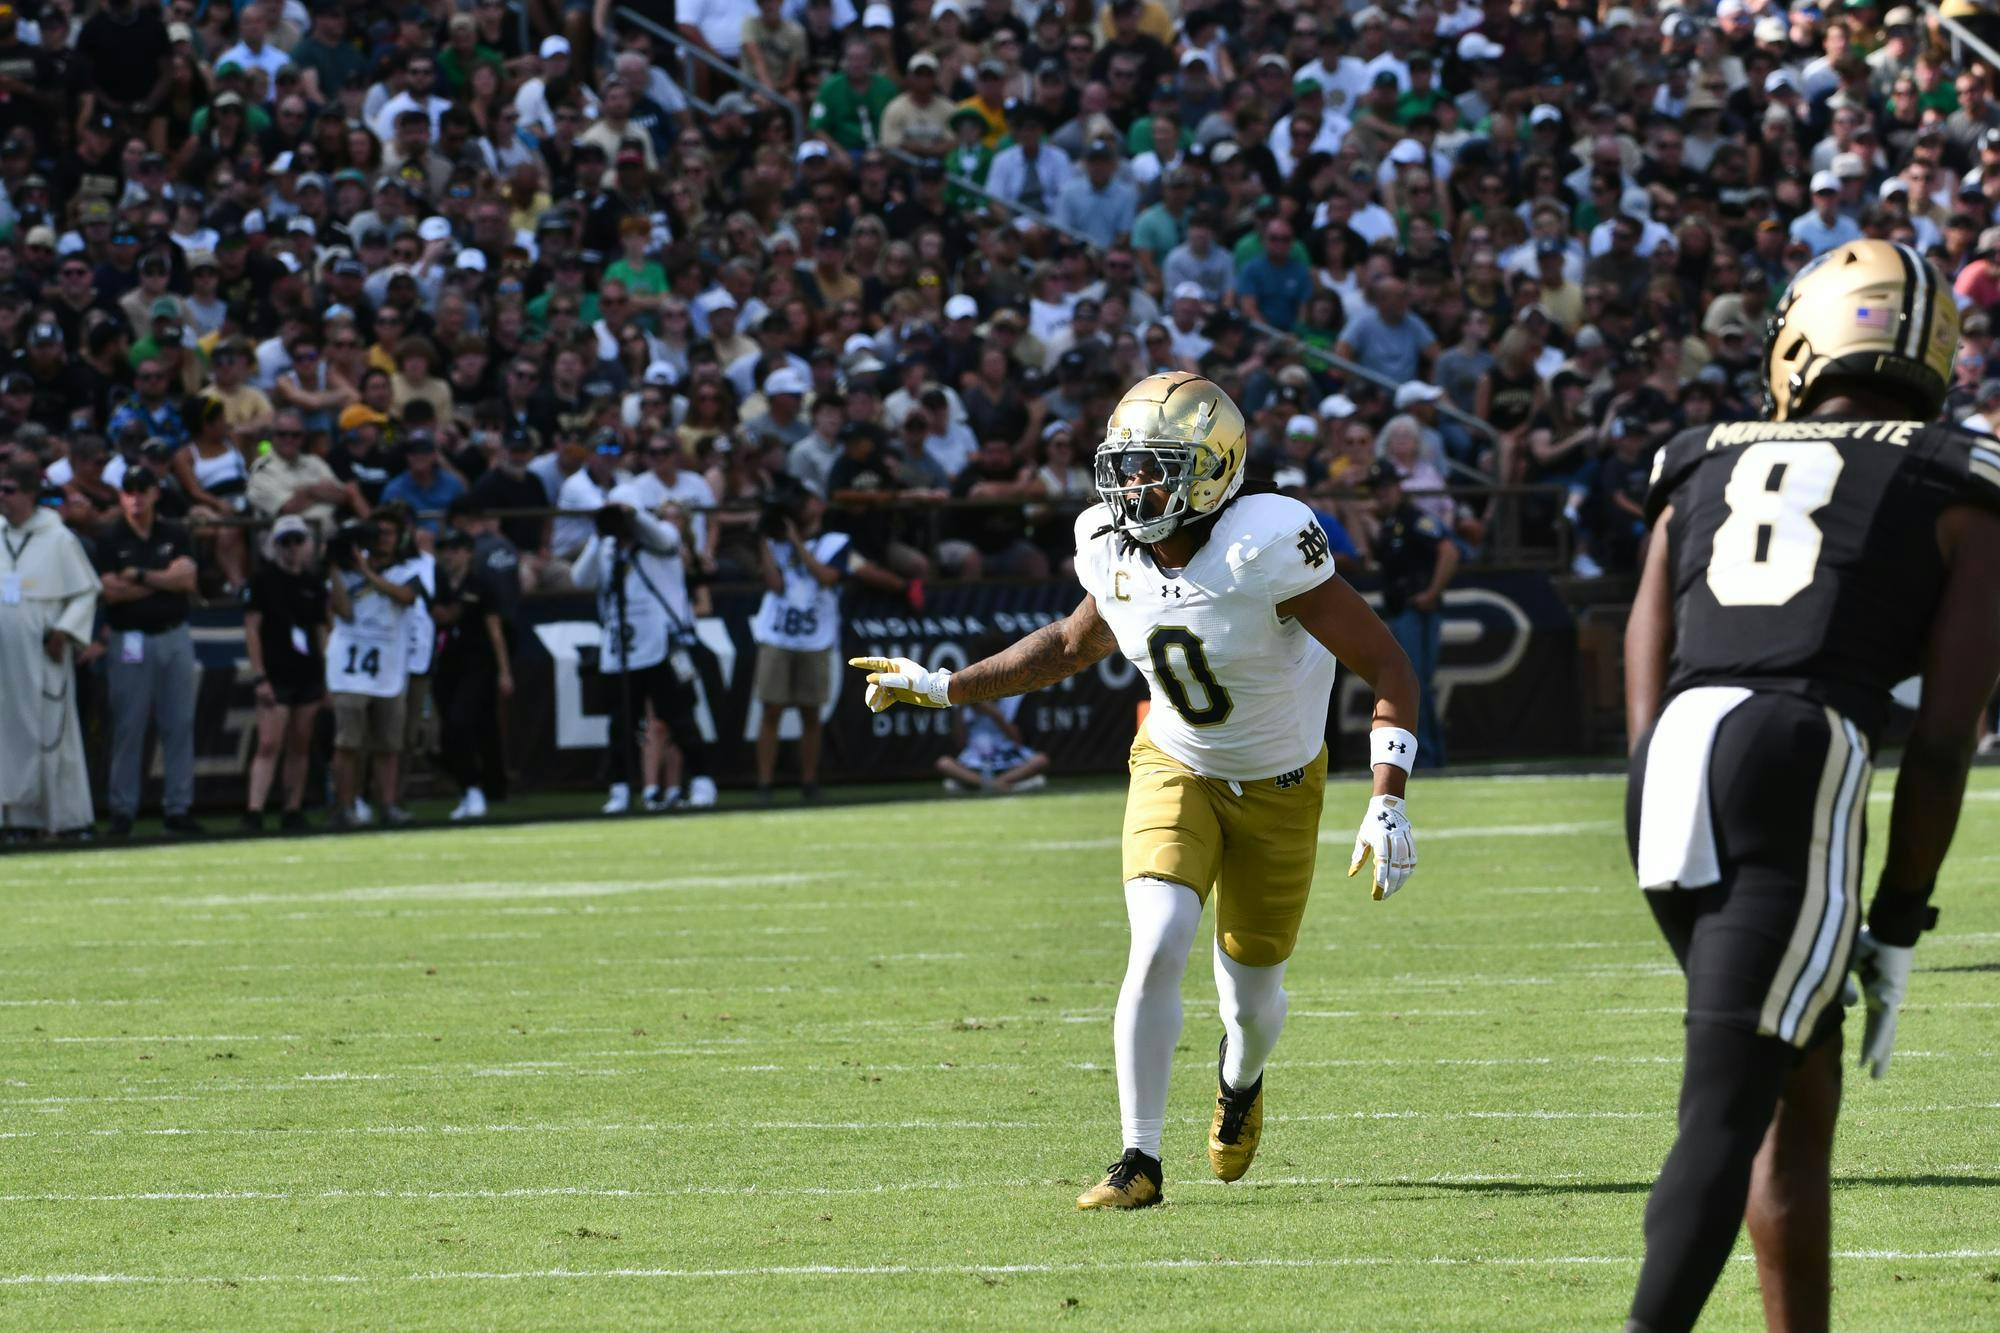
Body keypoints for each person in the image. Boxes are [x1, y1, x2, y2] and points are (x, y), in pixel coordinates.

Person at [851, 371, 1421, 1210]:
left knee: (1253, 1002)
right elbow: (1066, 644)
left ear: (1216, 469)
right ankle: (1138, 1158)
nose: (1135, 487)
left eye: (1157, 468)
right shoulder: (1112, 547)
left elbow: (1390, 665)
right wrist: (944, 687)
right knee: (1155, 940)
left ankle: (1240, 1078)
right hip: (1174, 763)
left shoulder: (1265, 544)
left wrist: (1387, 795)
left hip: (1280, 785)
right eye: (1126, 467)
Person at [1621, 239, 2000, 1332]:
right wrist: (1897, 915)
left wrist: (1656, 787)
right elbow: (1939, 738)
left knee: (1792, 1087)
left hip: (1673, 767)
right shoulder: (1957, 476)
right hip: (1798, 750)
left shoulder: (1695, 455)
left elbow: (1645, 683)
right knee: (1729, 1110)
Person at [750, 485, 898, 803]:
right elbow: (774, 585)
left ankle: (809, 781)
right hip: (777, 634)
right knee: (771, 709)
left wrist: (795, 543)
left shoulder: (835, 542)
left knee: (810, 711)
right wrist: (765, 538)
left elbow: (826, 577)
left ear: (816, 507)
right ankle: (764, 784)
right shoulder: (775, 542)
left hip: (815, 637)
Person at [573, 493, 717, 814]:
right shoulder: (608, 549)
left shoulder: (661, 541)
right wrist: (599, 535)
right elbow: (580, 578)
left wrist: (633, 515)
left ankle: (703, 781)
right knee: (621, 723)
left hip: (661, 643)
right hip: (621, 645)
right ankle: (621, 788)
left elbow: (663, 537)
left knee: (678, 716)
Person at [93, 467, 202, 837]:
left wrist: (139, 576)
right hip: (129, 639)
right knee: (129, 725)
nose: (135, 496)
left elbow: (187, 580)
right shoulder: (110, 538)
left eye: (142, 489)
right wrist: (163, 581)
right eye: (128, 490)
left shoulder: (174, 532)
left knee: (180, 724)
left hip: (174, 635)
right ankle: (123, 810)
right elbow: (110, 592)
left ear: (156, 492)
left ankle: (178, 807)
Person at [0, 458, 98, 838]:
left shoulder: (58, 538)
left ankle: (67, 818)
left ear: (29, 495)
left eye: (8, 490)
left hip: (42, 653)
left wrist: (64, 631)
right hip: (5, 662)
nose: (1, 497)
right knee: (7, 738)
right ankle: (17, 819)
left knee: (53, 733)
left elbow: (85, 591)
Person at [325, 508, 423, 830]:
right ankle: (345, 806)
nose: (382, 539)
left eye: (388, 533)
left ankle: (389, 804)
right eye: (376, 533)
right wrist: (335, 567)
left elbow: (406, 597)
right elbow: (343, 611)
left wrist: (367, 573)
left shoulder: (407, 570)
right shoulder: (343, 571)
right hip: (351, 667)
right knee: (348, 742)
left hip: (388, 668)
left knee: (388, 745)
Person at [241, 515, 327, 833]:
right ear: (275, 546)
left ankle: (292, 808)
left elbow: (320, 630)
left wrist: (326, 673)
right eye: (285, 542)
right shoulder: (263, 580)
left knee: (300, 743)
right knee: (268, 743)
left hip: (307, 671)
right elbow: (252, 629)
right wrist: (259, 674)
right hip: (276, 671)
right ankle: (255, 809)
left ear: (307, 545)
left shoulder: (313, 583)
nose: (292, 548)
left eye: (297, 541)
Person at [431, 527, 513, 822]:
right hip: (445, 664)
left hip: (477, 663)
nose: (449, 555)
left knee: (465, 721)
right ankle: (468, 788)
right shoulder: (437, 584)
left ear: (468, 552)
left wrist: (504, 670)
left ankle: (480, 787)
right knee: (449, 729)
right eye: (444, 549)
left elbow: (495, 630)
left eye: (455, 549)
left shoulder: (481, 584)